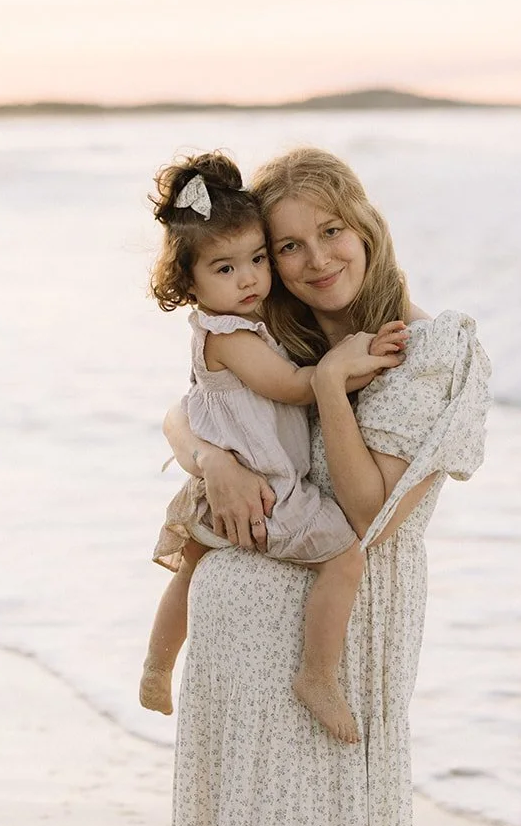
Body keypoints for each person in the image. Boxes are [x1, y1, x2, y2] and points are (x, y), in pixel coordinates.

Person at [150, 147, 490, 826]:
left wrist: (334, 396)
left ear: (365, 221)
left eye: (325, 233)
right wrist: (206, 460)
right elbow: (190, 406)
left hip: (348, 634)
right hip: (245, 626)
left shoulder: (435, 351)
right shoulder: (283, 332)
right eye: (286, 245)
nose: (308, 260)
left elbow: (360, 513)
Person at [139, 153, 405, 743]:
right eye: (227, 269)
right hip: (269, 491)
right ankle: (316, 676)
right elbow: (292, 387)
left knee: (192, 567)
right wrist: (354, 364)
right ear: (189, 284)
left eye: (258, 259)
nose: (250, 279)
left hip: (247, 479)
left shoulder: (251, 326)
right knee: (344, 557)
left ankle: (158, 666)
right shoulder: (231, 335)